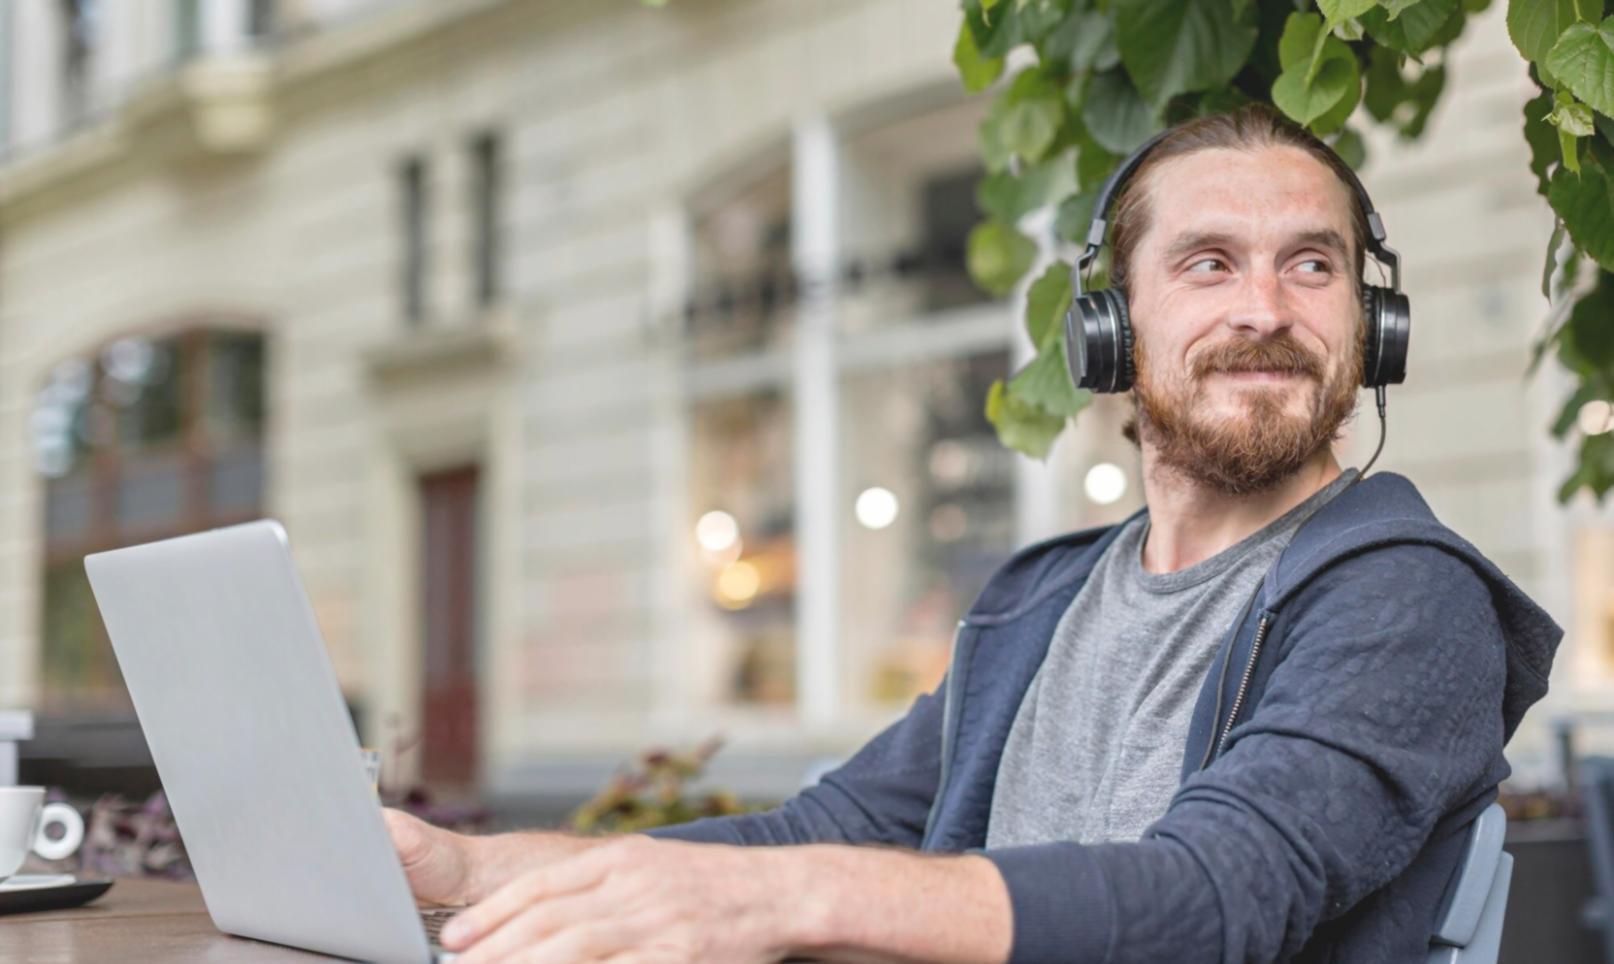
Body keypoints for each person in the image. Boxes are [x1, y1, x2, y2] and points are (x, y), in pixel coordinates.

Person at [382, 104, 1562, 963]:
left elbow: (1214, 899)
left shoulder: (1405, 599)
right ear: (1109, 329)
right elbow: (822, 828)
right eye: (1208, 264)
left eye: (1314, 265)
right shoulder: (1039, 602)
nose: (1266, 308)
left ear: (1372, 324)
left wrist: (776, 906)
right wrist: (476, 870)